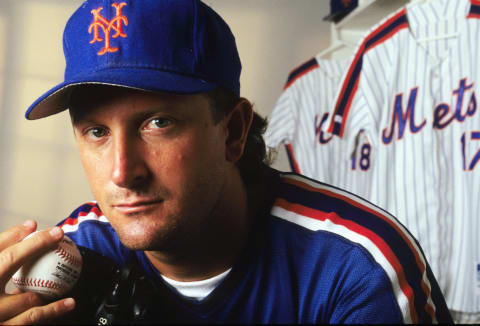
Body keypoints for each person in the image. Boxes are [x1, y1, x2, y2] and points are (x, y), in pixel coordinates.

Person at [0, 0, 453, 324]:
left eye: (158, 122)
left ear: (233, 131)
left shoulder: (356, 268)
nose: (122, 172)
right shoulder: (80, 255)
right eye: (96, 132)